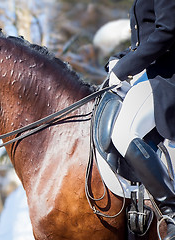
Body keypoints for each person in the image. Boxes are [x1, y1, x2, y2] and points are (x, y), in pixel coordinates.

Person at [107, 0, 175, 239]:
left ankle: (171, 210)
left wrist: (126, 67)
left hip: (168, 76)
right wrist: (121, 58)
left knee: (125, 132)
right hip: (154, 72)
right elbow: (148, 38)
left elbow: (168, 30)